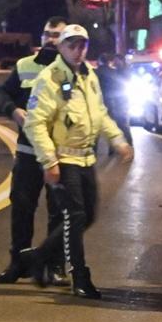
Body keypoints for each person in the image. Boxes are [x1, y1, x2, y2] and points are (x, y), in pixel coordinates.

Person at [20, 24, 133, 299]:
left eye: (82, 45)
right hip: (64, 156)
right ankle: (80, 277)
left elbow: (100, 113)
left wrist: (117, 140)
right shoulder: (50, 78)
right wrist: (49, 161)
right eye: (72, 45)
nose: (78, 50)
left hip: (86, 157)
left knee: (89, 215)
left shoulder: (88, 76)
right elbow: (35, 123)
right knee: (76, 216)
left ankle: (39, 257)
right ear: (60, 47)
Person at [0, 16, 68, 285]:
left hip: (60, 154)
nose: (51, 39)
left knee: (60, 211)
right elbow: (3, 93)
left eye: (57, 35)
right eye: (48, 33)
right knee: (22, 208)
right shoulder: (25, 66)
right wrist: (13, 111)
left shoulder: (72, 69)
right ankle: (19, 264)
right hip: (28, 152)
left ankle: (56, 265)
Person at [96, 54, 133, 149]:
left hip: (114, 101)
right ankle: (122, 145)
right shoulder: (113, 71)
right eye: (114, 61)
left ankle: (122, 145)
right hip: (116, 101)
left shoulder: (121, 71)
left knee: (119, 123)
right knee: (117, 124)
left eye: (116, 61)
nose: (115, 62)